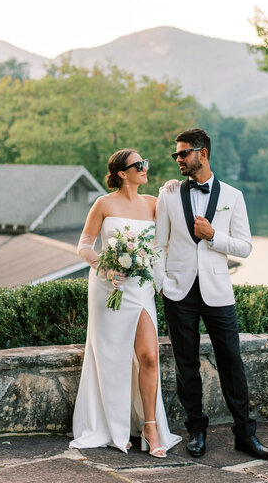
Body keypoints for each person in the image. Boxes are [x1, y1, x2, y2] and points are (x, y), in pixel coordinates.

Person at [154, 128, 268, 460]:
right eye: (176, 155)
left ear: (202, 154)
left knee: (232, 363)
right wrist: (161, 283)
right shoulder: (167, 194)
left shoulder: (233, 196)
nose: (178, 159)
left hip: (218, 293)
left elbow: (245, 247)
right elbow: (157, 245)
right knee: (186, 365)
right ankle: (196, 430)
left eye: (183, 153)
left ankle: (245, 435)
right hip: (178, 293)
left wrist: (213, 235)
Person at [70, 149, 181, 457]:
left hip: (141, 287)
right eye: (138, 165)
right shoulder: (103, 204)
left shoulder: (154, 204)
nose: (145, 168)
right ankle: (113, 426)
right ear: (122, 173)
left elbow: (170, 238)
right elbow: (83, 244)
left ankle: (150, 426)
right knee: (112, 358)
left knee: (148, 355)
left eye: (145, 163)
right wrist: (104, 266)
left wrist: (173, 189)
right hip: (108, 288)